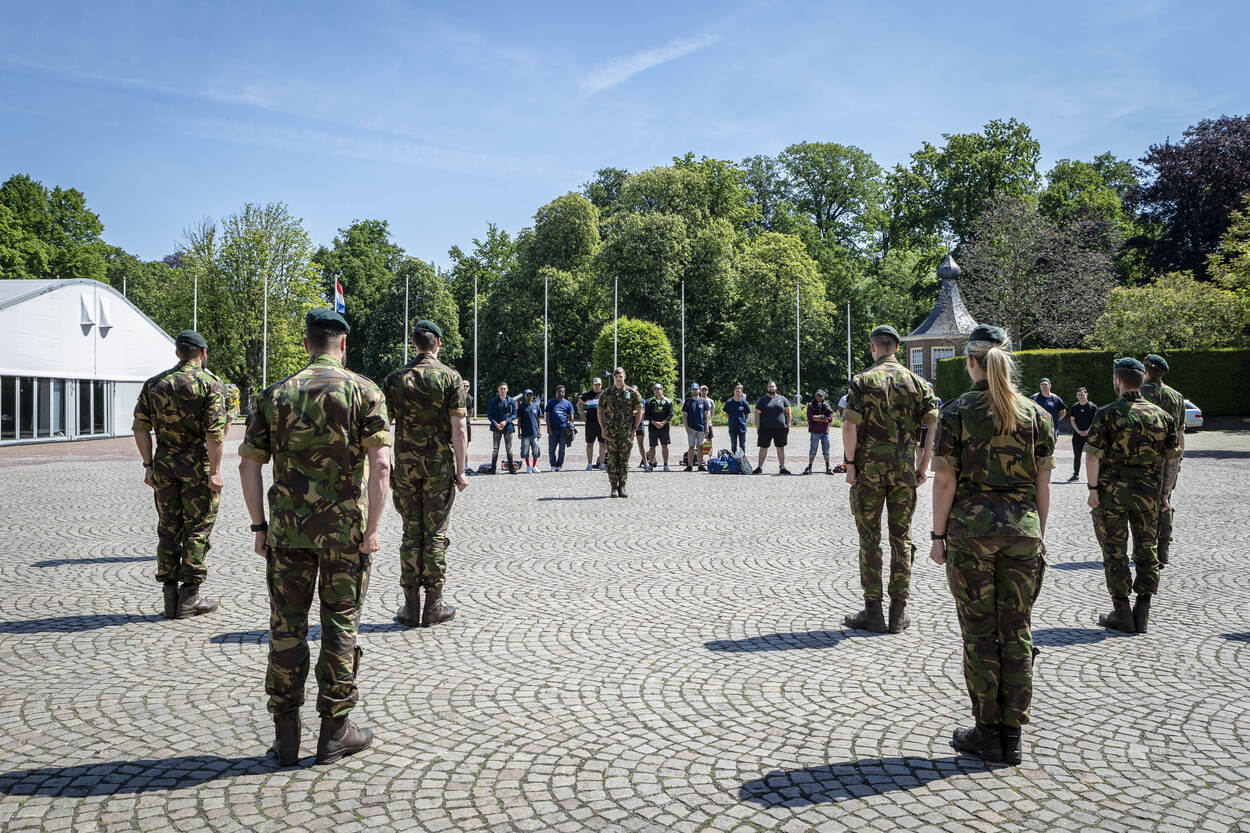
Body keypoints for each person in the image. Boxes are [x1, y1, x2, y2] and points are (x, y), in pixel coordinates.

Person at [238, 309, 392, 767]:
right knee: (340, 626)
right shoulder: (364, 392)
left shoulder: (275, 394)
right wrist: (373, 530)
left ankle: (286, 736)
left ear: (306, 344)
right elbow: (382, 466)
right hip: (345, 537)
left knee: (286, 629)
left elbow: (248, 465)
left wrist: (259, 527)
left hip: (287, 535)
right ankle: (334, 732)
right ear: (342, 345)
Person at [929, 324, 1052, 766]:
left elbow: (945, 481)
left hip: (971, 534)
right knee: (1016, 631)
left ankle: (987, 733)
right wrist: (1038, 535)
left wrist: (937, 536)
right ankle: (1012, 736)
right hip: (1022, 533)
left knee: (980, 634)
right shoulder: (1036, 414)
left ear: (971, 362)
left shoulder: (957, 412)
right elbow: (1042, 483)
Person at [842, 325, 940, 634]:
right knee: (902, 539)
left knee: (870, 540)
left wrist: (850, 465)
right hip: (903, 473)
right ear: (897, 348)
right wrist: (923, 465)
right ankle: (898, 612)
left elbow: (849, 427)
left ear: (873, 348)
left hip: (869, 472)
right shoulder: (918, 383)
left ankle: (873, 612)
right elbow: (932, 426)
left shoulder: (862, 382)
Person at [132, 329, 227, 620]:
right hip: (197, 467)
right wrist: (216, 472)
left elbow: (140, 427)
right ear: (203, 353)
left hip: (164, 466)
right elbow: (215, 433)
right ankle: (189, 597)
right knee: (197, 528)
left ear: (177, 353)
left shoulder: (155, 384)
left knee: (168, 527)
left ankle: (169, 597)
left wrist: (148, 466)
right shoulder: (210, 385)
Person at [384, 318, 470, 631]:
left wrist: (387, 467)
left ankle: (410, 607)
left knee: (411, 532)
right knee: (434, 535)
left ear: (414, 344)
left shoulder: (395, 379)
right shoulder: (450, 377)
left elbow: (382, 427)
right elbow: (459, 428)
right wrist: (461, 470)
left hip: (406, 468)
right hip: (438, 468)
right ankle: (433, 605)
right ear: (438, 344)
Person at [1085, 357, 1180, 635]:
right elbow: (1172, 459)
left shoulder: (1107, 413)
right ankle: (1143, 610)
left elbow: (1092, 456)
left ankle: (1122, 612)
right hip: (1149, 493)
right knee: (1147, 549)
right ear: (1141, 380)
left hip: (1112, 494)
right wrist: (1165, 493)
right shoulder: (1162, 416)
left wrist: (1093, 490)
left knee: (1114, 550)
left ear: (1118, 381)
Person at [1140, 354, 1186, 566]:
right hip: (1169, 457)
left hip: (1144, 457)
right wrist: (1178, 459)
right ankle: (1164, 546)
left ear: (1146, 370)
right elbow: (1180, 433)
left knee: (1142, 502)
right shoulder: (1176, 396)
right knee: (1165, 500)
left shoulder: (1138, 393)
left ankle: (1145, 547)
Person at [598, 367, 644, 497]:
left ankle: (622, 486)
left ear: (625, 376)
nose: (619, 379)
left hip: (626, 432)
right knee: (612, 460)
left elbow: (640, 410)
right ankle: (613, 486)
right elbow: (599, 410)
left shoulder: (632, 393)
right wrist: (602, 428)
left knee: (624, 460)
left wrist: (635, 428)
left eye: (621, 376)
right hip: (611, 432)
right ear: (613, 378)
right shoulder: (606, 393)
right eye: (616, 377)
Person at [753, 381, 792, 475]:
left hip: (780, 428)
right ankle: (759, 467)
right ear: (767, 388)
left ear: (776, 387)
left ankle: (782, 467)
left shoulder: (782, 399)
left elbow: (788, 412)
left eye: (773, 386)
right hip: (765, 429)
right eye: (770, 387)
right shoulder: (762, 400)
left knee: (780, 448)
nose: (771, 388)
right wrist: (758, 426)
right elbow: (757, 413)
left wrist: (788, 424)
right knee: (763, 448)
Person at [1067, 387, 1098, 481]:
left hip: (1090, 435)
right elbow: (1072, 420)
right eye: (1078, 395)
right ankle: (1076, 474)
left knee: (1092, 456)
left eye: (1082, 394)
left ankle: (1095, 475)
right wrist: (1078, 431)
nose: (1080, 396)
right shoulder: (1074, 407)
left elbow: (1096, 421)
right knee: (1077, 455)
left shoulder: (1093, 407)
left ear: (1086, 394)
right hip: (1078, 435)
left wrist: (1088, 430)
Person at [487, 382, 516, 474]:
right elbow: (489, 415)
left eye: (504, 389)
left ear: (507, 390)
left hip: (508, 427)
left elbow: (514, 414)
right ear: (498, 390)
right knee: (495, 449)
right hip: (496, 428)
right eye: (501, 389)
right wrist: (495, 423)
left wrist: (506, 421)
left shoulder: (511, 401)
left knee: (509, 449)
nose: (503, 390)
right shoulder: (493, 401)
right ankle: (493, 468)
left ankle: (511, 468)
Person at [804, 389, 835, 475]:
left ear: (824, 397)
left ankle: (828, 467)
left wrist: (818, 418)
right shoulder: (811, 405)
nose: (819, 397)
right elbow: (810, 417)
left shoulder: (827, 405)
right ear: (815, 396)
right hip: (815, 431)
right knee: (813, 450)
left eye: (821, 395)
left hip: (825, 431)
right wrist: (822, 417)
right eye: (817, 395)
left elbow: (830, 418)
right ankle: (810, 467)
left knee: (826, 450)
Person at [578, 378, 606, 470]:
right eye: (595, 385)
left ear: (601, 385)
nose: (597, 386)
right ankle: (589, 463)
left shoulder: (604, 394)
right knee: (590, 443)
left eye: (599, 385)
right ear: (592, 385)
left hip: (602, 423)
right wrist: (582, 413)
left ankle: (602, 463)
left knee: (602, 443)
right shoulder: (587, 394)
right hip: (590, 423)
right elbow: (579, 404)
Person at [545, 385, 575, 471]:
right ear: (556, 392)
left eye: (562, 391)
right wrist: (548, 428)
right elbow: (547, 415)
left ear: (564, 393)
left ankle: (559, 465)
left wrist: (570, 427)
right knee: (551, 449)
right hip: (553, 429)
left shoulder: (568, 403)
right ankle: (553, 465)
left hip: (564, 430)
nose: (560, 393)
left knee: (562, 449)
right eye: (559, 391)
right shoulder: (551, 402)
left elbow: (571, 415)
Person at [644, 383, 673, 470]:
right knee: (652, 446)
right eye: (655, 389)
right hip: (653, 427)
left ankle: (665, 465)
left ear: (662, 390)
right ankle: (651, 464)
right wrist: (654, 422)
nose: (656, 391)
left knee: (665, 446)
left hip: (664, 428)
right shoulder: (649, 401)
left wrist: (663, 423)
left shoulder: (668, 401)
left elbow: (670, 414)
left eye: (658, 389)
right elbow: (647, 414)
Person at [682, 383, 710, 471]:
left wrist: (707, 427)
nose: (695, 391)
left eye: (696, 389)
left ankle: (700, 465)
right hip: (691, 428)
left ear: (699, 390)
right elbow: (684, 416)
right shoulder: (688, 402)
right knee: (691, 447)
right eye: (693, 389)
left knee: (700, 447)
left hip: (701, 428)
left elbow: (706, 416)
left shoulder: (704, 401)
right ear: (691, 390)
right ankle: (689, 465)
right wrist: (686, 427)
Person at [518, 389, 543, 473]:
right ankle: (528, 466)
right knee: (525, 451)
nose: (529, 397)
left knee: (536, 450)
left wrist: (539, 431)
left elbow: (538, 420)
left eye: (531, 395)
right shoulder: (521, 407)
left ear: (532, 396)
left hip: (535, 433)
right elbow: (519, 420)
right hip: (525, 434)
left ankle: (534, 466)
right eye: (527, 395)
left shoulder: (536, 406)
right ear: (525, 396)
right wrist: (519, 432)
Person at [723, 385, 751, 456]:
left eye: (739, 391)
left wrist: (742, 421)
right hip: (732, 427)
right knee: (733, 446)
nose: (738, 393)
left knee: (742, 446)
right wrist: (732, 420)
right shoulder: (729, 402)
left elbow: (747, 415)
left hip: (742, 428)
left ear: (742, 393)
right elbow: (727, 414)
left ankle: (742, 459)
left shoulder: (744, 403)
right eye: (736, 391)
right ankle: (734, 459)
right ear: (734, 392)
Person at [632, 385, 649, 470]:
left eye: (635, 391)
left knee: (641, 445)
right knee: (628, 444)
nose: (633, 393)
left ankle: (645, 463)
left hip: (640, 424)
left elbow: (642, 412)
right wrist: (636, 412)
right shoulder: (628, 401)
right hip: (630, 424)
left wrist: (634, 412)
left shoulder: (642, 400)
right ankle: (625, 464)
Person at [462, 379, 475, 476]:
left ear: (469, 388)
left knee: (465, 446)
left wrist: (467, 418)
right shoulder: (455, 397)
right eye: (463, 385)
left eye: (467, 386)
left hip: (466, 423)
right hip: (457, 424)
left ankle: (465, 466)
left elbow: (471, 411)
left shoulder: (471, 398)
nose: (465, 387)